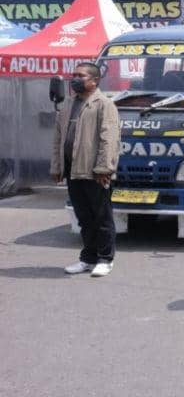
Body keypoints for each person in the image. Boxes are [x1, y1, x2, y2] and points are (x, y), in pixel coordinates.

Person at [51, 62, 121, 277]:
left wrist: (103, 168)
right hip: (73, 170)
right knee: (84, 218)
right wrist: (56, 167)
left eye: (80, 75)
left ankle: (105, 259)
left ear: (94, 80)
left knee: (101, 217)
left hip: (95, 172)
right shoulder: (69, 105)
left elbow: (109, 139)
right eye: (74, 75)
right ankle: (87, 259)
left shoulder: (104, 104)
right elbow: (58, 140)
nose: (75, 79)